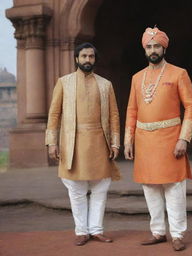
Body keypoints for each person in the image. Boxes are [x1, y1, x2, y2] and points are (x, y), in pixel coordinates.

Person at [124, 27, 192, 251]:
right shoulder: (137, 78)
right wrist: (128, 140)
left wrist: (184, 139)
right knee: (150, 187)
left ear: (164, 47)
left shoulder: (178, 73)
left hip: (170, 139)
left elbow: (191, 106)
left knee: (174, 187)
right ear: (144, 49)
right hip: (144, 140)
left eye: (157, 46)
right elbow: (131, 110)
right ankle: (157, 232)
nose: (153, 50)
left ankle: (177, 234)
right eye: (149, 46)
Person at [45, 42, 120, 246]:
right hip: (73, 144)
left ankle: (96, 230)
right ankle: (81, 231)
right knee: (76, 190)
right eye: (84, 56)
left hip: (99, 142)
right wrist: (52, 142)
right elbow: (54, 114)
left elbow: (114, 115)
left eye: (91, 56)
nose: (88, 60)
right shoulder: (64, 82)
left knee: (100, 188)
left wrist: (115, 144)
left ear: (95, 59)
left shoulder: (105, 84)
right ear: (76, 59)